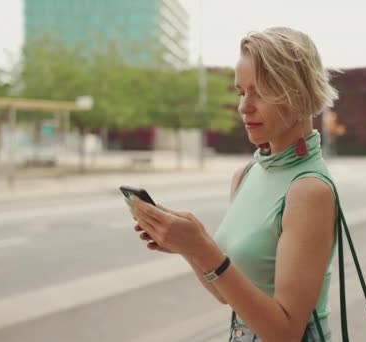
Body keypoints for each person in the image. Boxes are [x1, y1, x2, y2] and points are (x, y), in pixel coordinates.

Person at [129, 26, 339, 342]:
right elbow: (227, 295)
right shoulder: (246, 174)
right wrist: (190, 247)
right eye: (241, 92)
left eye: (261, 92)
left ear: (298, 92)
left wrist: (202, 246)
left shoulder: (309, 190)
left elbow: (285, 333)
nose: (244, 106)